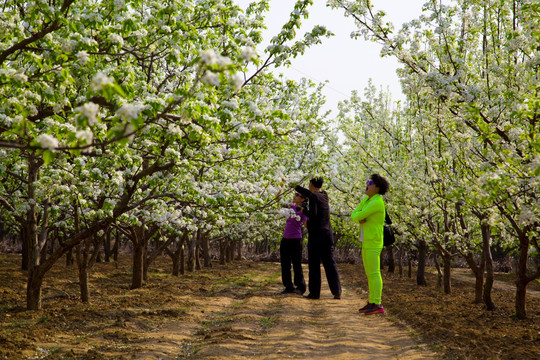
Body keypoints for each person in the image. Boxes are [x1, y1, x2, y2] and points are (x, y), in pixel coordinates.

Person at [295, 177, 342, 299]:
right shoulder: (324, 195)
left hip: (316, 235)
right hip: (327, 234)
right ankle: (337, 291)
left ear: (311, 184)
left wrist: (303, 210)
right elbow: (310, 194)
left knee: (314, 264)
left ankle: (315, 293)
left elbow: (313, 214)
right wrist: (296, 187)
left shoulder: (314, 197)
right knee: (330, 262)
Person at [351, 173, 389, 315]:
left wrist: (358, 216)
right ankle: (372, 301)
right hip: (366, 240)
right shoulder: (368, 199)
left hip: (374, 241)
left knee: (374, 273)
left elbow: (358, 215)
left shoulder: (377, 202)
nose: (367, 184)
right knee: (369, 273)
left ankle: (377, 303)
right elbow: (354, 214)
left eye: (370, 183)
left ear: (377, 188)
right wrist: (358, 215)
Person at [279, 192, 308, 295]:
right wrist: (281, 185)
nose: (295, 196)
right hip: (285, 238)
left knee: (296, 264)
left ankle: (300, 287)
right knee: (285, 264)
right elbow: (278, 200)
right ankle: (288, 286)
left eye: (298, 195)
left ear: (303, 199)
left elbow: (306, 224)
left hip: (295, 239)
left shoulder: (304, 211)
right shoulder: (291, 206)